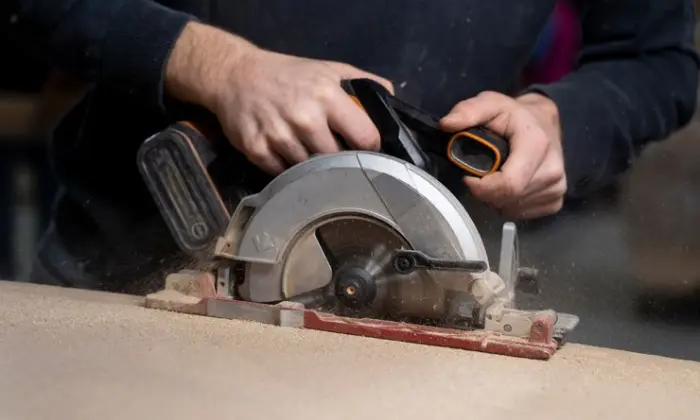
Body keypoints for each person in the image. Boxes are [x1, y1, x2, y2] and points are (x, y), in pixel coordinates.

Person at [2, 0, 697, 293]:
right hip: (138, 269)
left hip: (420, 292)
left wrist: (558, 120)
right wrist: (217, 68)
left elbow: (659, 58)